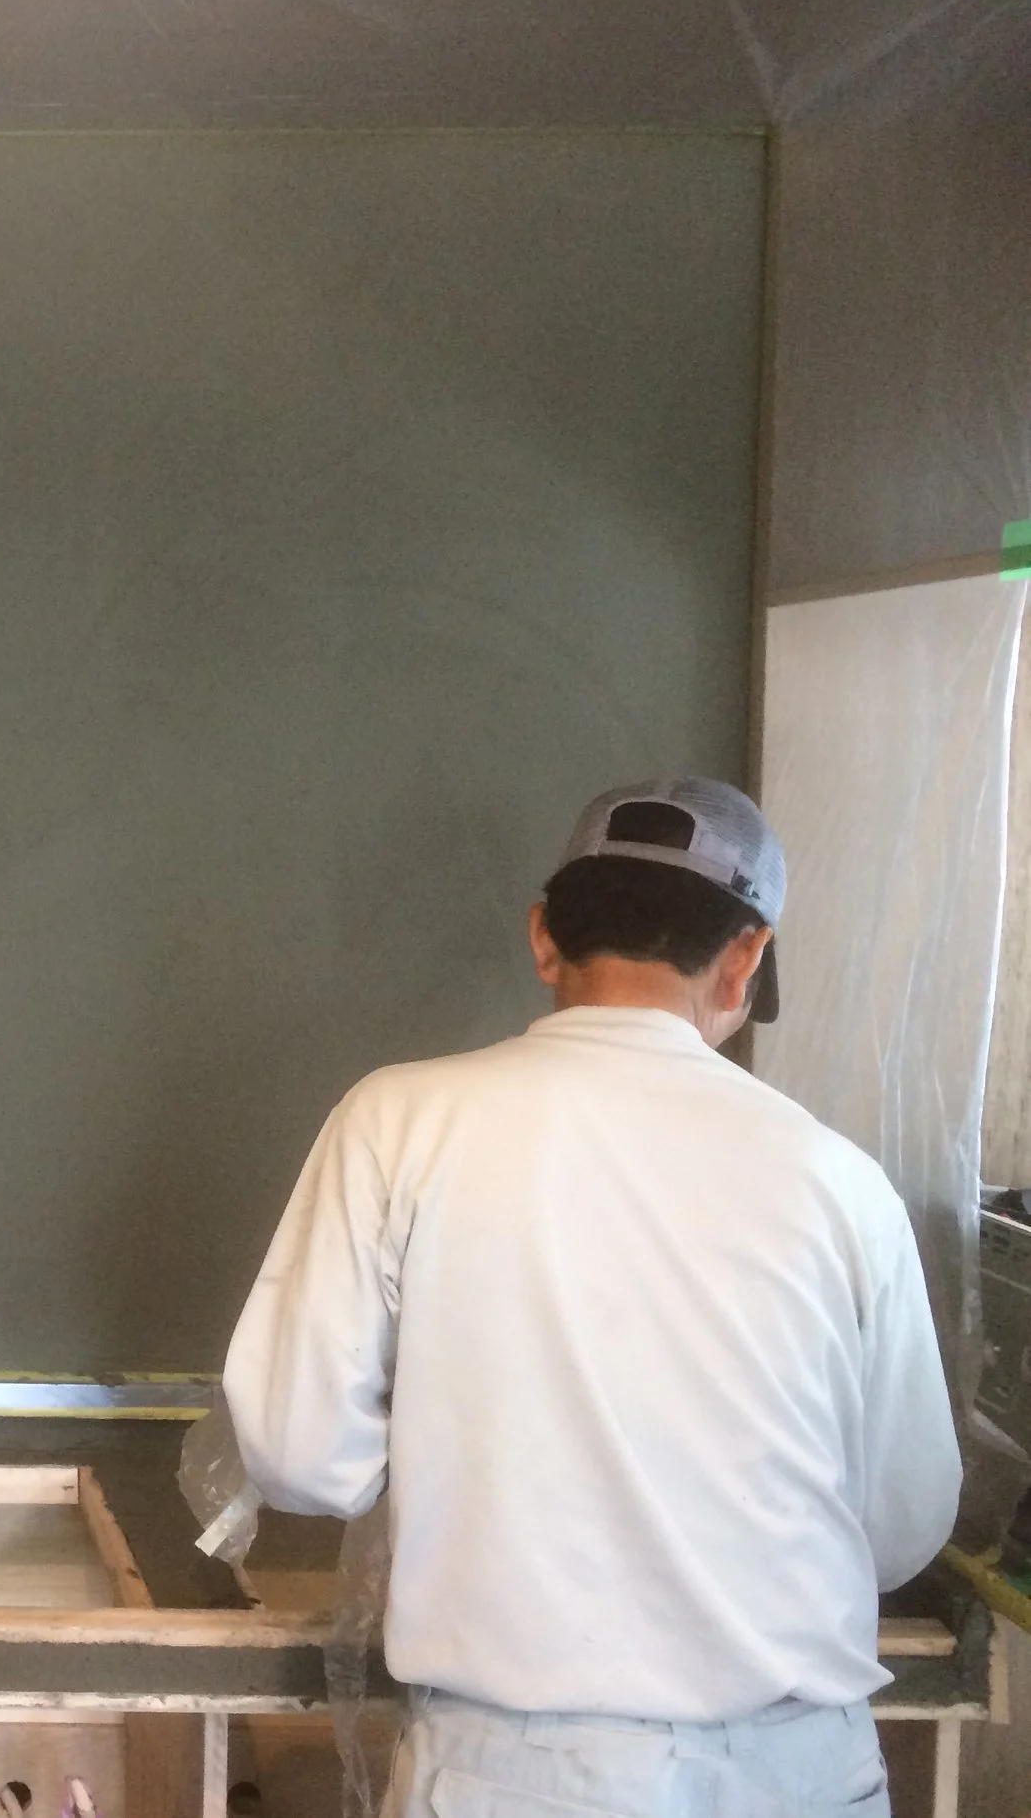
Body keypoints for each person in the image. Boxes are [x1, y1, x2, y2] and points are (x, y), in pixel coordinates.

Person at [223, 776, 962, 1818]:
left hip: (511, 1774)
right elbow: (902, 1523)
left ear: (544, 937)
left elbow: (301, 1457)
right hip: (797, 1770)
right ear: (745, 956)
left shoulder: (399, 1121)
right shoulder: (841, 1182)